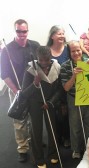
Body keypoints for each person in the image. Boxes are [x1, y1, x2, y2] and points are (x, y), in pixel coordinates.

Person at [0, 19, 40, 162]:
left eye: (24, 31)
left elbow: (41, 65)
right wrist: (16, 90)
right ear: (15, 30)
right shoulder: (7, 50)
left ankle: (34, 142)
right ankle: (22, 148)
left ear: (28, 31)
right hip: (17, 89)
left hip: (33, 89)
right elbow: (4, 74)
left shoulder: (35, 46)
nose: (22, 34)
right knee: (20, 120)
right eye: (18, 31)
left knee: (34, 118)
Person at [22, 46, 62, 168]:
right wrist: (35, 83)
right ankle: (39, 157)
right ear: (37, 58)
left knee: (52, 129)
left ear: (51, 57)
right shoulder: (30, 69)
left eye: (47, 60)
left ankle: (53, 153)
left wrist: (51, 102)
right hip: (34, 103)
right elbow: (24, 93)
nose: (44, 63)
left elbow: (59, 89)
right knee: (36, 131)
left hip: (49, 103)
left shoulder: (56, 67)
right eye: (41, 60)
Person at [60, 40, 89, 159]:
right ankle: (76, 149)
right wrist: (74, 75)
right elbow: (66, 88)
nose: (76, 53)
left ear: (82, 50)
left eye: (78, 50)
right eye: (73, 51)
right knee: (75, 125)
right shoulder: (65, 66)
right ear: (69, 52)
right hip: (73, 98)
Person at [46, 25, 71, 148]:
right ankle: (57, 137)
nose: (62, 36)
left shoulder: (68, 49)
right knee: (54, 114)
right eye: (59, 34)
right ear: (52, 36)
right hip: (52, 88)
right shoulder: (47, 50)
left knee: (66, 113)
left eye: (63, 33)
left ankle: (67, 137)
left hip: (66, 87)